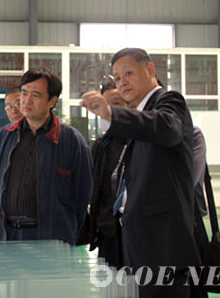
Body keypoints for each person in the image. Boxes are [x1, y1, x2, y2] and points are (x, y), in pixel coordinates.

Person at [81, 48, 200, 298]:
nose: (122, 82)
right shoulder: (141, 117)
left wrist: (111, 113)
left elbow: (166, 129)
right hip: (138, 242)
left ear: (150, 70)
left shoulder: (169, 102)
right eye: (117, 78)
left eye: (128, 73)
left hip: (162, 245)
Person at [0, 67, 93, 246]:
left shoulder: (71, 140)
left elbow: (82, 196)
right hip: (6, 236)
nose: (27, 100)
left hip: (50, 239)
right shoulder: (6, 136)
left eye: (36, 95)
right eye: (24, 93)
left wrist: (66, 232)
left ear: (52, 101)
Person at [77, 79, 128, 268]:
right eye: (102, 106)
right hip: (108, 234)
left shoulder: (143, 143)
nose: (107, 111)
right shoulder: (101, 146)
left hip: (139, 234)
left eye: (115, 104)